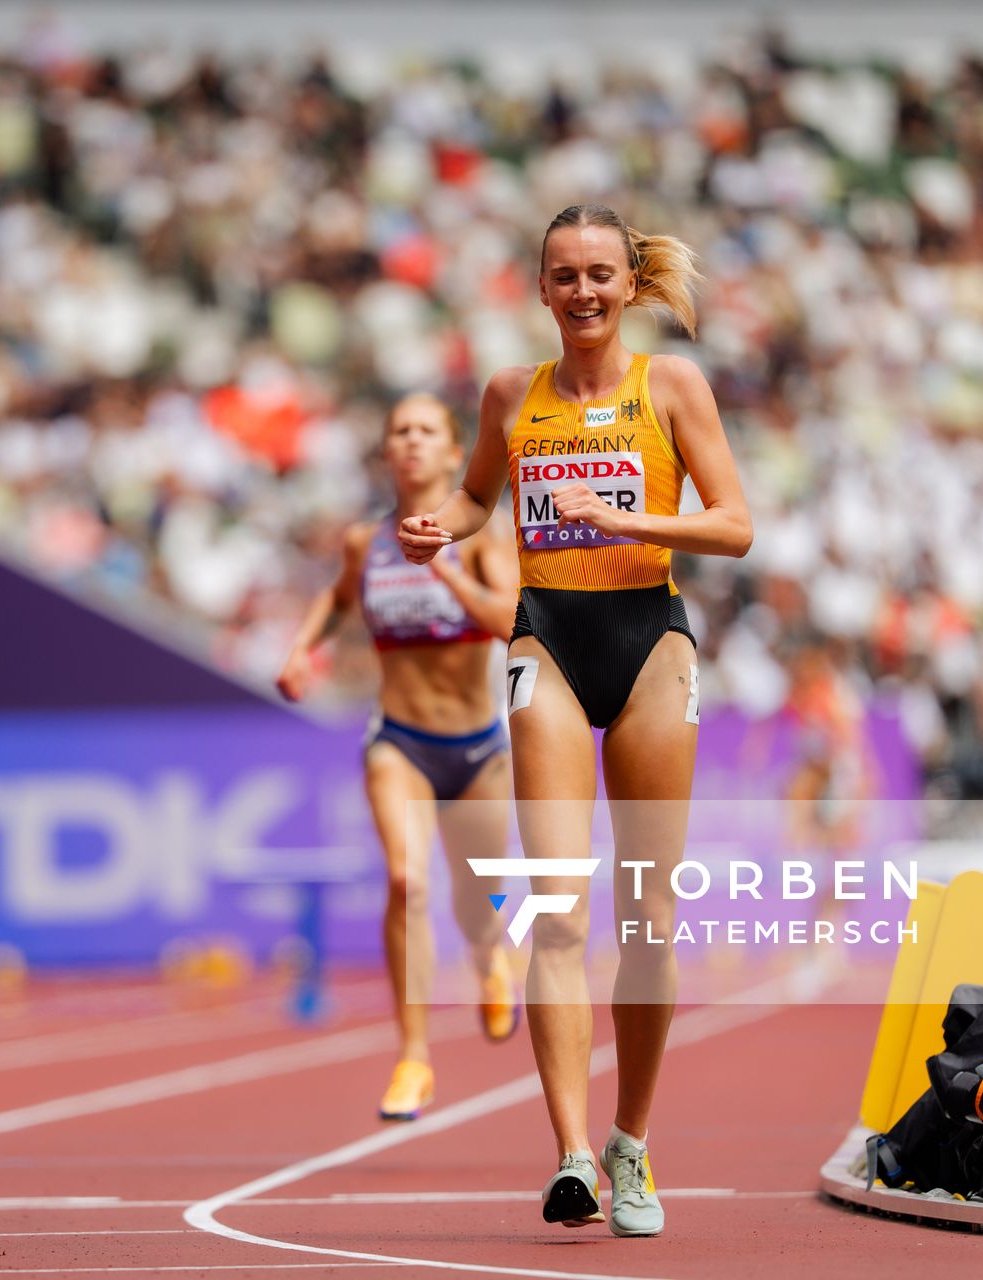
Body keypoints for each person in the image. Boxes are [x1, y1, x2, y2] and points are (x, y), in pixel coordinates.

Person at [400, 204, 753, 1237]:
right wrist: (441, 530)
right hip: (545, 637)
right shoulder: (511, 392)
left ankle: (631, 1144)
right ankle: (568, 1154)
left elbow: (734, 524)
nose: (585, 292)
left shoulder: (671, 386)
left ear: (629, 283)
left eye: (602, 274)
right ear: (542, 286)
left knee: (647, 923)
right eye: (566, 276)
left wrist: (632, 517)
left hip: (650, 640)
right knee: (557, 909)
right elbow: (475, 499)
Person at [278, 392, 522, 1122]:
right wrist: (301, 649)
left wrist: (443, 565)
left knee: (479, 903)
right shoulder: (364, 542)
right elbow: (336, 598)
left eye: (427, 431)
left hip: (479, 747)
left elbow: (510, 620)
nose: (411, 441)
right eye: (399, 430)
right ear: (387, 452)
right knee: (405, 879)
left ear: (454, 453)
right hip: (400, 741)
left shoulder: (481, 535)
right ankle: (414, 1056)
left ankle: (488, 958)